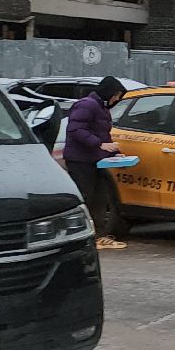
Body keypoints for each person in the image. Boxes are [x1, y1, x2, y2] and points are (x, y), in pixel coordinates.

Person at [63, 76, 128, 251]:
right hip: (80, 161)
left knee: (100, 198)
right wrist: (99, 144)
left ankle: (98, 236)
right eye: (116, 95)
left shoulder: (102, 108)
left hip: (96, 161)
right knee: (86, 198)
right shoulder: (87, 105)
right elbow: (76, 129)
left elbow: (104, 137)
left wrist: (116, 154)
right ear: (108, 92)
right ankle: (79, 236)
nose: (116, 99)